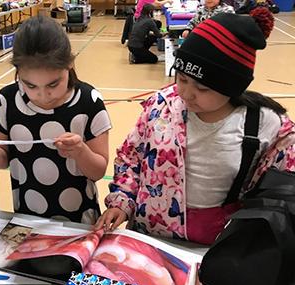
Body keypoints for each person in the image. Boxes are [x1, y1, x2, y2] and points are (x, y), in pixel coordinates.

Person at [95, 8, 295, 245]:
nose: (187, 94)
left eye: (203, 89)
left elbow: (279, 195)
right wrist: (123, 202)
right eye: (182, 79)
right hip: (147, 240)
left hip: (215, 249)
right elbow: (130, 157)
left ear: (233, 88)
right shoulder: (162, 106)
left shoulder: (266, 126)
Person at [0, 16, 112, 224]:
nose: (43, 96)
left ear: (70, 63)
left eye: (53, 84)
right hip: (26, 218)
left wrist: (81, 151)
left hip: (79, 221)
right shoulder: (8, 100)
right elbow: (3, 158)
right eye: (31, 86)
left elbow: (98, 172)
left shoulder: (89, 101)